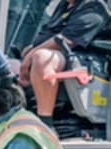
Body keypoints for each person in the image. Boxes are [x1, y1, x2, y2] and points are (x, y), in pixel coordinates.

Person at [17, 0, 109, 128]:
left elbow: (66, 40)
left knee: (42, 58)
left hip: (84, 65)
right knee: (9, 65)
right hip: (62, 60)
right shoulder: (64, 6)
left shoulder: (95, 7)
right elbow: (50, 33)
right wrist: (31, 48)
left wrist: (30, 56)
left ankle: (45, 122)